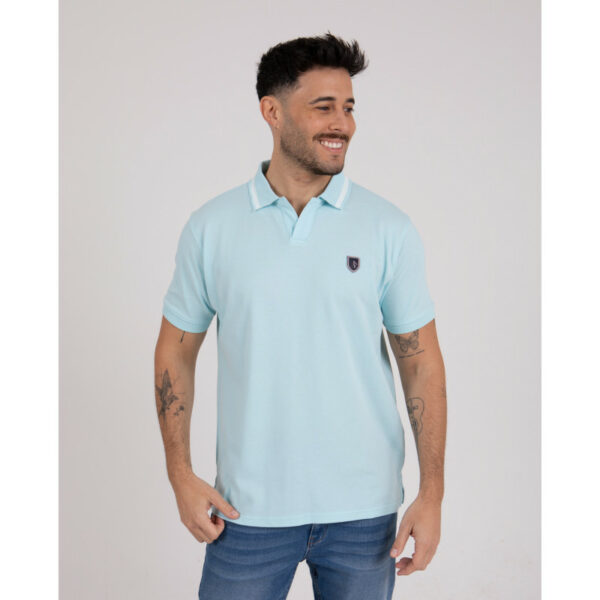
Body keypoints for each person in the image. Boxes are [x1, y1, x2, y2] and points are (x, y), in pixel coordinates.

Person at [154, 32, 447, 600]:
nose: (343, 124)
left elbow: (421, 364)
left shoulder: (388, 227)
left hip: (365, 515)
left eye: (349, 108)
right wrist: (179, 475)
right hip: (245, 511)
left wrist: (431, 492)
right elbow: (175, 350)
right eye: (323, 107)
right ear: (272, 111)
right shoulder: (212, 227)